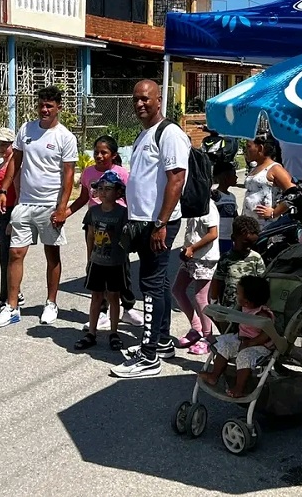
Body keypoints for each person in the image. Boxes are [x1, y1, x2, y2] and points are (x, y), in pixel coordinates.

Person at [110, 79, 189, 379]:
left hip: (158, 223)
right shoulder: (147, 134)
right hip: (144, 222)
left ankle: (149, 356)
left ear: (159, 100)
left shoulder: (169, 134)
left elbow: (176, 180)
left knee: (151, 286)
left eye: (146, 99)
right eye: (136, 100)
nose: (140, 104)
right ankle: (163, 340)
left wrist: (161, 223)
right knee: (156, 284)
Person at [0, 86, 77, 328]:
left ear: (59, 107)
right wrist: (3, 190)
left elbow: (69, 175)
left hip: (50, 205)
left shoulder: (65, 137)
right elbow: (14, 163)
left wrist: (62, 208)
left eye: (49, 105)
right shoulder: (26, 129)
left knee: (52, 254)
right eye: (41, 105)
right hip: (24, 203)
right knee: (15, 253)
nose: (44, 109)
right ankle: (11, 306)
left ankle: (51, 302)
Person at [66, 134, 143, 329]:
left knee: (121, 267)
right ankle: (101, 312)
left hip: (118, 227)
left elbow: (131, 199)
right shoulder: (88, 172)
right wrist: (66, 212)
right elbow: (84, 198)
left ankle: (128, 308)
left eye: (104, 152)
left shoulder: (122, 173)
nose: (99, 156)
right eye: (96, 152)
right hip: (95, 225)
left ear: (113, 155)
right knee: (95, 263)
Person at [74, 170, 130, 351]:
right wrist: (89, 257)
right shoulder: (93, 211)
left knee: (114, 297)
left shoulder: (123, 213)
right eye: (100, 188)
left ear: (118, 192)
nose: (104, 192)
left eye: (109, 188)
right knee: (96, 296)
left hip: (115, 262)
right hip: (97, 261)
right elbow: (90, 235)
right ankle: (92, 332)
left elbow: (127, 238)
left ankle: (114, 332)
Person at [200, 275, 274, 397]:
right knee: (225, 345)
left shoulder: (263, 315)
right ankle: (214, 375)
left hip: (260, 345)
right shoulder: (243, 307)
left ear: (247, 301)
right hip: (241, 339)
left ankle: (239, 387)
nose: (236, 295)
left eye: (238, 293)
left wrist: (251, 343)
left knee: (244, 356)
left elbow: (266, 335)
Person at [173, 196, 219, 356]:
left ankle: (208, 337)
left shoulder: (208, 205)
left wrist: (192, 248)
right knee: (177, 289)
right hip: (191, 256)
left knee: (201, 297)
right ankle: (196, 327)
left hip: (205, 257)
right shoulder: (194, 203)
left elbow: (213, 233)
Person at [0, 128, 22, 319]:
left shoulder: (14, 166)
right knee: (4, 255)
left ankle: (5, 298)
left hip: (9, 213)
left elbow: (18, 193)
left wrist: (13, 220)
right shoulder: (0, 166)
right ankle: (14, 292)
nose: (0, 147)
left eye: (4, 144)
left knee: (5, 258)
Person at [210, 215, 266, 309]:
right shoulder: (226, 258)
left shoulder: (256, 258)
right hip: (229, 307)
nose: (249, 247)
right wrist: (214, 300)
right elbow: (217, 280)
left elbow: (263, 282)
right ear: (233, 238)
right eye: (245, 243)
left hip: (250, 307)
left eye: (252, 244)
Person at [243, 136, 295, 228]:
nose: (245, 150)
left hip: (266, 226)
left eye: (248, 146)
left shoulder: (275, 169)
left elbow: (294, 193)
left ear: (260, 148)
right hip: (249, 225)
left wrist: (274, 212)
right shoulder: (254, 168)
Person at [212, 161, 238, 256]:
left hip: (229, 237)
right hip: (218, 237)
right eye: (234, 175)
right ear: (225, 177)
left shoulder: (232, 197)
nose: (236, 177)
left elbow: (235, 216)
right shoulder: (214, 195)